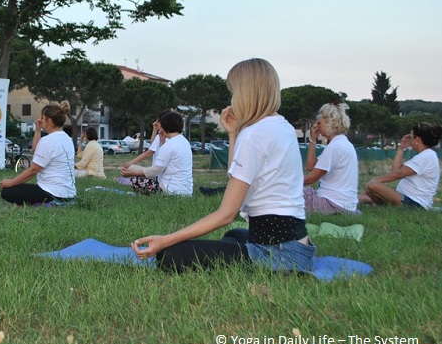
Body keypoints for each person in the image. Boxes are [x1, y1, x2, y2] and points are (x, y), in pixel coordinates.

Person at [132, 58, 314, 273]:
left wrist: (166, 240)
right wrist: (233, 133)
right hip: (299, 246)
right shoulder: (282, 126)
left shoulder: (254, 134)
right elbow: (236, 179)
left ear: (246, 93)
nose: (233, 99)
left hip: (279, 254)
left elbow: (226, 214)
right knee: (234, 236)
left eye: (234, 91)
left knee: (170, 255)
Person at [0, 101, 76, 205]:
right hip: (69, 194)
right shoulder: (67, 139)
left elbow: (33, 170)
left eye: (42, 117)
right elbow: (37, 152)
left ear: (49, 121)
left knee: (7, 192)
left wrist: (11, 183)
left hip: (52, 193)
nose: (39, 119)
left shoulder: (48, 141)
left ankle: (48, 204)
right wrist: (38, 130)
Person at [358, 122, 442, 210]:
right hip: (405, 199)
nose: (409, 140)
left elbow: (398, 174)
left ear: (417, 139)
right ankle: (356, 200)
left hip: (414, 203)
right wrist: (401, 148)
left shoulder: (427, 156)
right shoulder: (424, 155)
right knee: (372, 188)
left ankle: (359, 200)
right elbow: (395, 170)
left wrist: (375, 181)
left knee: (373, 185)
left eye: (411, 137)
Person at [302, 103, 359, 214]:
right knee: (302, 191)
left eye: (320, 122)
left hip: (333, 204)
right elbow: (310, 166)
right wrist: (313, 139)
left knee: (289, 196)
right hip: (343, 203)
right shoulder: (342, 143)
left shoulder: (335, 147)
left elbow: (311, 178)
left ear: (329, 123)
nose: (317, 125)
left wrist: (287, 184)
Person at [119, 111, 193, 195]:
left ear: (165, 126)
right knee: (136, 169)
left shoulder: (169, 145)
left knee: (135, 179)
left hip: (170, 190)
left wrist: (132, 173)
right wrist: (161, 140)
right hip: (186, 191)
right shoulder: (184, 142)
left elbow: (155, 171)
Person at [116, 109, 171, 186]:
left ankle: (131, 181)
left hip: (159, 176)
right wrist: (155, 130)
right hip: (161, 174)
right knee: (135, 170)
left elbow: (149, 152)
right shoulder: (170, 138)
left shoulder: (162, 137)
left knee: (131, 168)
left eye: (158, 121)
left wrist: (130, 162)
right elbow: (153, 145)